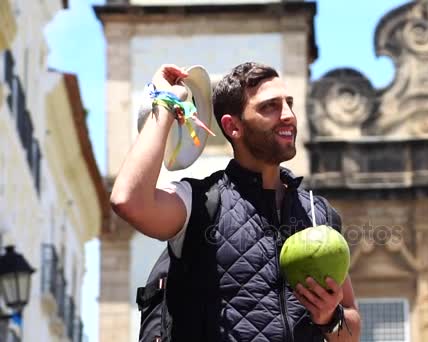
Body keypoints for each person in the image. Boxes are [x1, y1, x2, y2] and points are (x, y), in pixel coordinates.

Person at [110, 62, 361, 341]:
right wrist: (165, 103)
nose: (288, 115)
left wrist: (329, 318)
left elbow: (351, 328)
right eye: (270, 107)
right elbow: (127, 201)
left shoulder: (318, 214)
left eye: (288, 103)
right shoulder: (199, 203)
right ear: (233, 127)